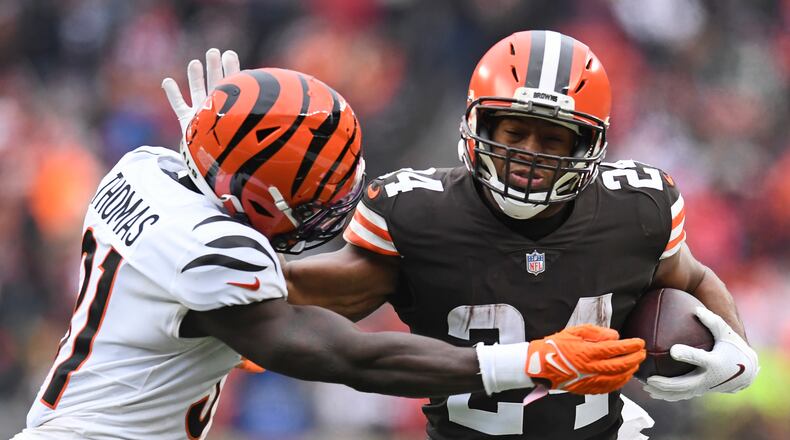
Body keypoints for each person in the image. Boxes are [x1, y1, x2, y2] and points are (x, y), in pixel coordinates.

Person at [13, 50, 646, 440]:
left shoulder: (147, 165)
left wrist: (225, 137)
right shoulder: (215, 250)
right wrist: (526, 362)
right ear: (257, 200)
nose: (336, 207)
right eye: (320, 197)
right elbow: (345, 359)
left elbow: (208, 207)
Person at [276, 31, 760, 439]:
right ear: (479, 124)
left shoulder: (637, 208)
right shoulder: (417, 212)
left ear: (590, 146)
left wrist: (739, 350)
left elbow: (692, 278)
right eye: (514, 132)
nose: (530, 155)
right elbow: (309, 292)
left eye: (552, 139)